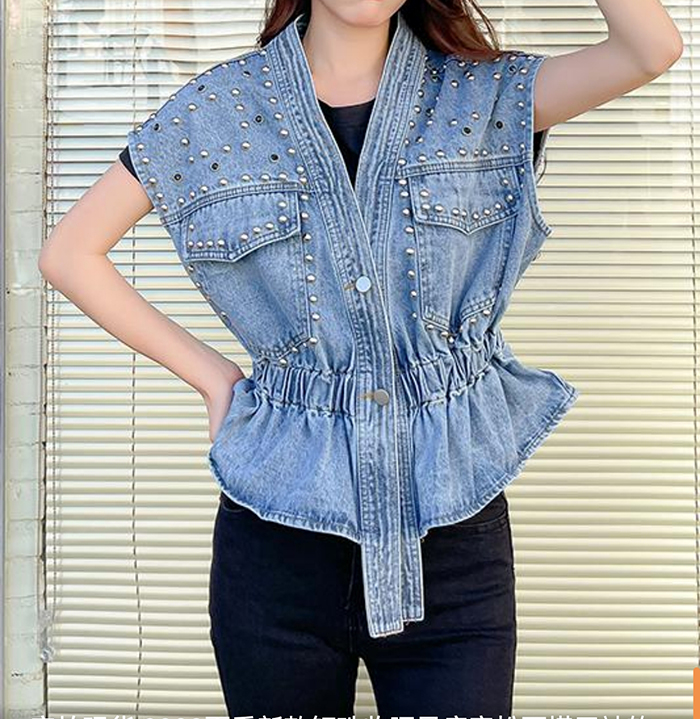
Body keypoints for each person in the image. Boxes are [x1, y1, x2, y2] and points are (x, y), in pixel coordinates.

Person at [38, 0, 683, 716]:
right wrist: (213, 377)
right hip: (277, 550)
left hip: (452, 540)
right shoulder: (218, 111)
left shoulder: (485, 97)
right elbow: (70, 253)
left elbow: (649, 48)